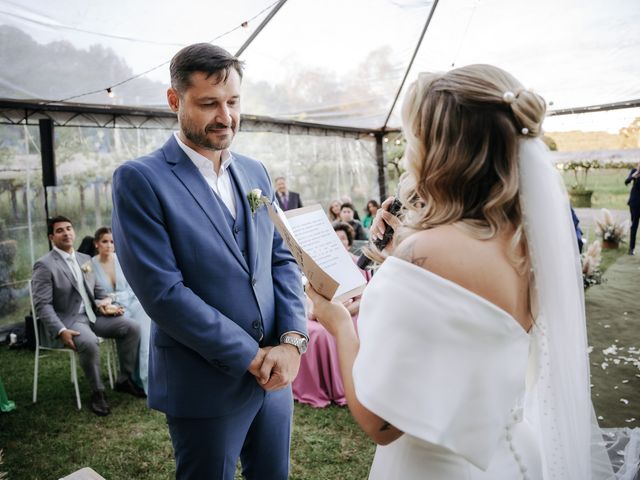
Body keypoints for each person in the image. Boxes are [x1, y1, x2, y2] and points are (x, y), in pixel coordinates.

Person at [308, 65, 637, 478]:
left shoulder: (423, 254)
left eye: (414, 138)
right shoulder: (525, 242)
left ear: (439, 150)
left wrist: (337, 323)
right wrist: (401, 258)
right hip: (514, 456)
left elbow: (381, 424)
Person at [111, 43, 307, 480]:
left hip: (276, 375)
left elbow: (282, 260)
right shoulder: (141, 179)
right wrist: (251, 356)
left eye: (233, 102)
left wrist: (293, 342)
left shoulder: (255, 171)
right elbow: (163, 294)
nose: (226, 117)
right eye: (209, 104)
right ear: (174, 100)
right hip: (203, 382)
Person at [31, 216, 144, 416]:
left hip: (95, 316)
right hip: (70, 320)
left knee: (132, 326)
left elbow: (98, 292)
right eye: (59, 230)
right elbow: (42, 305)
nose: (66, 233)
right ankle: (97, 392)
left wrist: (105, 303)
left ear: (74, 232)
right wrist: (61, 330)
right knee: (90, 342)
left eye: (69, 228)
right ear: (51, 237)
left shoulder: (84, 259)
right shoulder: (44, 265)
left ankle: (124, 379)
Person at [293, 222, 371, 408]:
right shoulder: (322, 266)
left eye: (343, 238)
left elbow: (364, 299)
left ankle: (342, 386)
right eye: (336, 238)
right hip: (323, 311)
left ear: (349, 241)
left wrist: (341, 312)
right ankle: (313, 386)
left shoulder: (357, 263)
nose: (340, 241)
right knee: (309, 331)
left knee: (325, 334)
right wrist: (317, 311)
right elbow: (310, 295)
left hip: (352, 312)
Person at [90, 227, 152, 394]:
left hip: (132, 302)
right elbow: (90, 294)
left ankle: (147, 377)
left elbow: (135, 284)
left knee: (146, 327)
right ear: (96, 244)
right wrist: (103, 305)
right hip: (111, 309)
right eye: (104, 241)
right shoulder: (90, 266)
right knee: (131, 327)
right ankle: (131, 377)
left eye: (112, 241)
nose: (109, 245)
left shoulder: (123, 259)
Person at [624, 163, 640, 255]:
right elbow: (626, 181)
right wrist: (634, 176)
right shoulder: (634, 172)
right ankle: (631, 248)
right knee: (634, 225)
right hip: (634, 203)